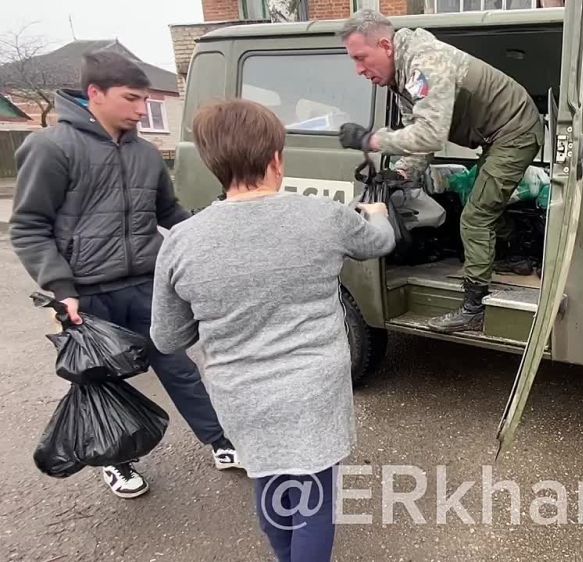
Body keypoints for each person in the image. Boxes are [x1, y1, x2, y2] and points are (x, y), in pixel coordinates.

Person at [149, 99, 395, 562]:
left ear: (214, 163)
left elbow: (168, 338)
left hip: (241, 395)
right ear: (277, 158)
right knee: (313, 501)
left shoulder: (182, 241)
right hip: (313, 390)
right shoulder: (324, 216)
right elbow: (380, 242)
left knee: (269, 479)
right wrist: (378, 212)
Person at [9, 51, 241, 499]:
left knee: (178, 366)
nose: (141, 109)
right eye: (132, 99)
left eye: (145, 100)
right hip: (86, 293)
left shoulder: (146, 154)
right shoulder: (51, 148)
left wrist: (210, 237)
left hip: (145, 285)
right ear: (95, 94)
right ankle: (116, 460)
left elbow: (168, 212)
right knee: (101, 382)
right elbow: (29, 226)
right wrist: (60, 287)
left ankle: (220, 440)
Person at [338, 8, 545, 334]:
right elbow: (418, 137)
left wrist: (371, 140)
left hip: (515, 132)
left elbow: (430, 135)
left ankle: (474, 308)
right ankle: (519, 255)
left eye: (361, 58)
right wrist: (403, 174)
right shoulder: (403, 76)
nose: (359, 70)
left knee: (476, 216)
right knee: (479, 201)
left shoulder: (424, 61)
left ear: (385, 46)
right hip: (499, 135)